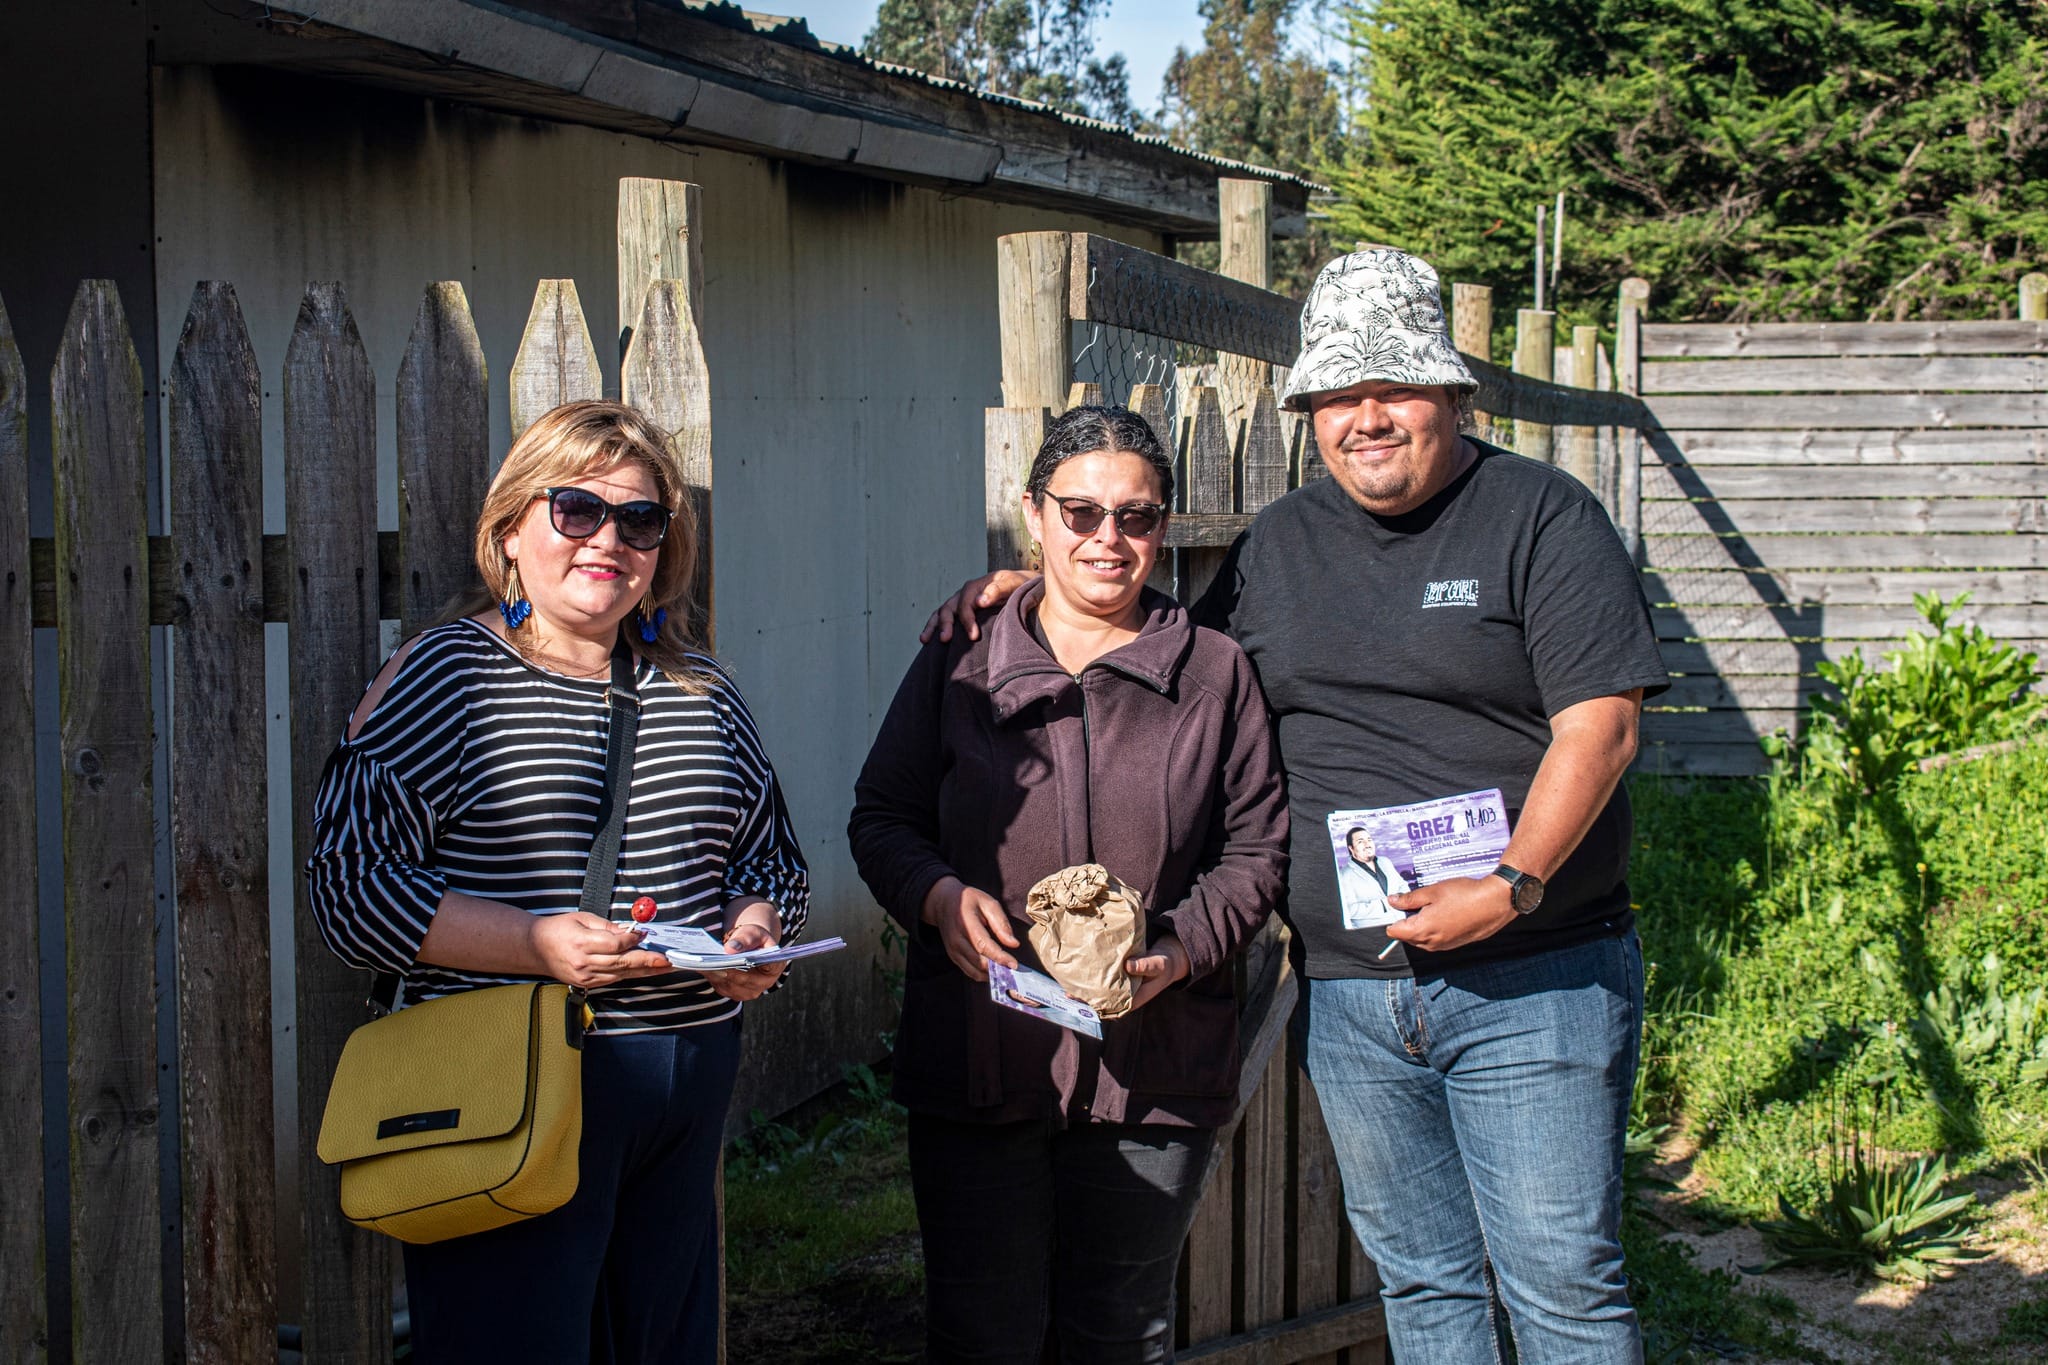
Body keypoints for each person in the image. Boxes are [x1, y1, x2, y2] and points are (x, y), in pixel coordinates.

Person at [925, 250, 1669, 1363]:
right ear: (1309, 411)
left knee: (1560, 1286)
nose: (1365, 417)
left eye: (1394, 388)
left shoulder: (1538, 518)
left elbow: (1601, 725)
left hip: (1535, 975)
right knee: (1420, 1286)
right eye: (1336, 395)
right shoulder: (1278, 545)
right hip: (1354, 997)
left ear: (1452, 395)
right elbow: (1158, 650)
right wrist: (1028, 593)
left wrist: (1510, 888)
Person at [305, 400, 810, 1364]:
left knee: (662, 1347)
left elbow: (772, 858)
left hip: (688, 1078)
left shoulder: (702, 686)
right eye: (575, 509)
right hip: (516, 1085)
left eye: (639, 520)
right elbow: (350, 884)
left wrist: (753, 934)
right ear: (510, 530)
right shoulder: (446, 676)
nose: (608, 539)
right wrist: (539, 945)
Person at [850, 405, 1288, 1364]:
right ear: (1033, 515)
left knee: (1119, 1334)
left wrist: (1182, 949)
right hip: (982, 1052)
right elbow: (881, 817)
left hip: (1153, 1067)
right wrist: (934, 896)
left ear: (1163, 526)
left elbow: (1257, 852)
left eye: (1135, 516)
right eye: (1081, 512)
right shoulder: (960, 659)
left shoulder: (1213, 674)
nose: (1108, 537)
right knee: (980, 1334)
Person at [1336, 825, 1410, 928]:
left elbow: (1402, 884)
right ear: (1351, 848)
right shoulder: (1344, 875)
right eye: (1360, 841)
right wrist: (1385, 904)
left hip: (1403, 923)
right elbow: (1348, 909)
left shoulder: (1385, 861)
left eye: (1369, 840)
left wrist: (1403, 898)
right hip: (1375, 932)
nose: (1367, 844)